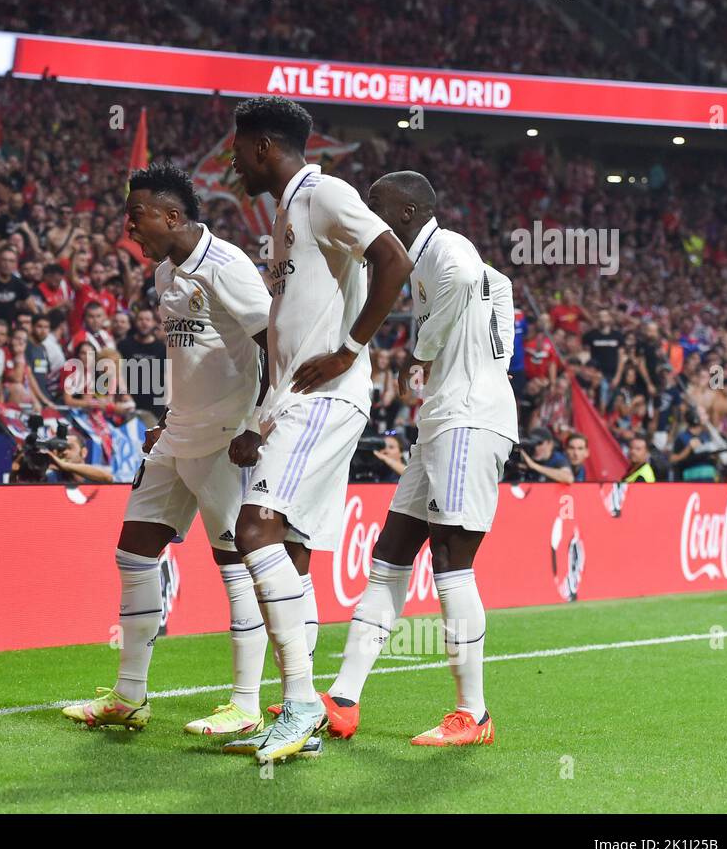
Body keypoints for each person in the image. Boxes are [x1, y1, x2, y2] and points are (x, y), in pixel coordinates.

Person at [226, 96, 413, 763]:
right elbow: (289, 328)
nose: (233, 160)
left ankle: (304, 701)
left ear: (266, 147)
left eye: (239, 148)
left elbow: (395, 261)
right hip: (293, 401)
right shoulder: (283, 216)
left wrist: (351, 350)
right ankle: (299, 714)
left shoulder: (323, 192)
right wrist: (258, 416)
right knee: (293, 554)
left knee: (255, 530)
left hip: (326, 397)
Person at [63, 164, 275, 738]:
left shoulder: (228, 267)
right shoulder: (164, 274)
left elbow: (276, 347)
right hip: (177, 434)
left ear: (173, 216)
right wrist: (166, 418)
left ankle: (247, 703)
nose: (129, 225)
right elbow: (192, 358)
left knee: (237, 568)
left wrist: (258, 424)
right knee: (134, 555)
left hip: (228, 442)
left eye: (138, 214)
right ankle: (129, 695)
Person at [325, 170, 517, 749]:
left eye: (377, 206)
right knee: (391, 553)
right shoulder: (430, 257)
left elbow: (464, 275)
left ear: (408, 213)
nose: (370, 214)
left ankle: (473, 713)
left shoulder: (444, 249)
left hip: (467, 420)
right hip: (444, 421)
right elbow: (500, 285)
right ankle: (344, 696)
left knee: (452, 561)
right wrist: (493, 359)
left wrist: (423, 353)